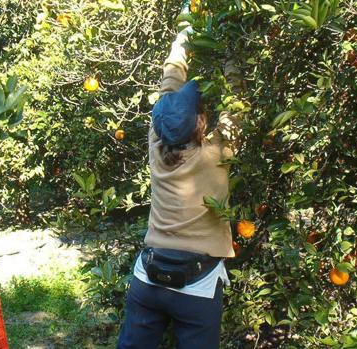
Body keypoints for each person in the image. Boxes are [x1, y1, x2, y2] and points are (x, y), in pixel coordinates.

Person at [115, 11, 246, 349]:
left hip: (149, 277)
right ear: (202, 122)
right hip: (196, 286)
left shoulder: (156, 143)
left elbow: (169, 81)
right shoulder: (217, 153)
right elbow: (237, 104)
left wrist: (183, 36)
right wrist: (230, 53)